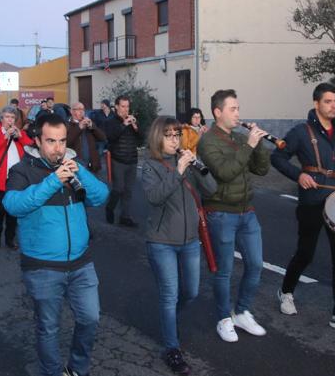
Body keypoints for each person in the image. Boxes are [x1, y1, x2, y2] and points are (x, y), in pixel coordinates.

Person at [3, 113, 109, 376]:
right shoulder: (22, 170)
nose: (58, 148)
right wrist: (52, 181)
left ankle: (77, 368)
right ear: (37, 140)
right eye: (51, 141)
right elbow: (13, 205)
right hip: (42, 265)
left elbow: (101, 196)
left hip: (80, 262)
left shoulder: (72, 165)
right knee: (49, 326)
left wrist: (78, 171)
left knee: (90, 318)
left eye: (62, 141)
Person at [271, 82, 335, 333]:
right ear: (316, 104)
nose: (333, 105)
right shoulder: (301, 132)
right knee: (306, 254)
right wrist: (298, 175)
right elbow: (276, 157)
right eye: (328, 101)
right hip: (311, 201)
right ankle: (286, 291)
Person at [141, 116, 217, 374]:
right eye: (169, 135)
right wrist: (179, 171)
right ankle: (172, 348)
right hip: (162, 241)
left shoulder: (187, 160)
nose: (174, 140)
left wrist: (198, 165)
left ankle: (168, 317)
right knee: (169, 294)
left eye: (177, 135)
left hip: (190, 240)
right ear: (157, 138)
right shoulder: (151, 165)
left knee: (191, 292)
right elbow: (154, 197)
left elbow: (211, 188)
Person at [197, 89, 270, 342]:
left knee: (256, 264)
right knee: (224, 270)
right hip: (221, 213)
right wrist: (248, 145)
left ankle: (241, 311)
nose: (238, 113)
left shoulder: (240, 138)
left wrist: (257, 144)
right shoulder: (207, 142)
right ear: (218, 112)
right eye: (233, 109)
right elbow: (225, 172)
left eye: (238, 108)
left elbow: (261, 169)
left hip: (246, 211)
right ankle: (223, 318)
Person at [0, 106, 34, 249]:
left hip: (16, 179)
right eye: (7, 117)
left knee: (13, 210)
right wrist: (5, 137)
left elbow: (31, 147)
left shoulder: (19, 133)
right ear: (1, 118)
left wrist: (21, 137)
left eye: (12, 117)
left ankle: (10, 238)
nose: (10, 120)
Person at [104, 95, 144, 227]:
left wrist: (136, 127)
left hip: (132, 160)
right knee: (118, 188)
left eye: (127, 106)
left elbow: (141, 140)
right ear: (116, 107)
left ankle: (125, 217)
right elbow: (110, 137)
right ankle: (110, 207)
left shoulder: (132, 121)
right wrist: (123, 125)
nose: (126, 109)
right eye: (123, 106)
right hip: (118, 159)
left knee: (128, 191)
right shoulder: (111, 121)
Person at [67, 102, 107, 173]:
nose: (81, 111)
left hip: (92, 165)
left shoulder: (89, 124)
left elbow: (103, 138)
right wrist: (79, 128)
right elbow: (67, 142)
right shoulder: (66, 125)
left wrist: (93, 127)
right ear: (71, 111)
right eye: (78, 109)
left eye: (83, 109)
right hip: (75, 166)